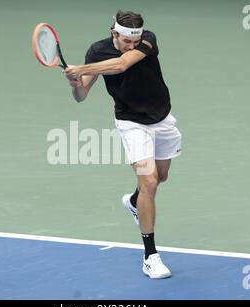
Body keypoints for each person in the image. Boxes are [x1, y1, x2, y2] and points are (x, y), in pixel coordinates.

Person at [64, 10, 181, 279]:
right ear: (113, 33)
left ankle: (133, 202)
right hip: (131, 123)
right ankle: (151, 257)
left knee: (161, 177)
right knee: (149, 181)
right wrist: (74, 83)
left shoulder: (147, 40)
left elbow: (121, 65)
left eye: (135, 41)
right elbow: (81, 95)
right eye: (127, 41)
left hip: (161, 118)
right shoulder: (97, 51)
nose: (132, 45)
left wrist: (80, 69)